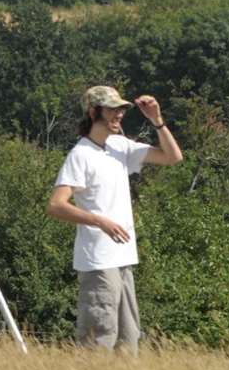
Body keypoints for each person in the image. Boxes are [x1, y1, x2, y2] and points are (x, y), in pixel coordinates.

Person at [46, 84, 183, 352]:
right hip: (98, 262)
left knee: (128, 341)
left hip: (122, 260)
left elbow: (173, 157)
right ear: (93, 112)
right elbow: (56, 205)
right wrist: (100, 221)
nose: (119, 115)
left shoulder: (120, 146)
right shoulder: (81, 155)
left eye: (121, 110)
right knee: (98, 339)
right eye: (112, 110)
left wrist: (156, 120)